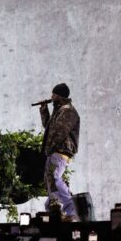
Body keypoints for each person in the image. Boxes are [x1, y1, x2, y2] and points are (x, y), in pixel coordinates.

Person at [39, 83, 80, 222]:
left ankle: (70, 210)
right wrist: (44, 111)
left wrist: (49, 148)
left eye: (54, 95)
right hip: (54, 151)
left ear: (59, 96)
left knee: (54, 178)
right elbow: (49, 128)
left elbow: (58, 132)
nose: (51, 97)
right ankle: (54, 210)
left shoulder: (68, 111)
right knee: (50, 181)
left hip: (60, 150)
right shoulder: (60, 110)